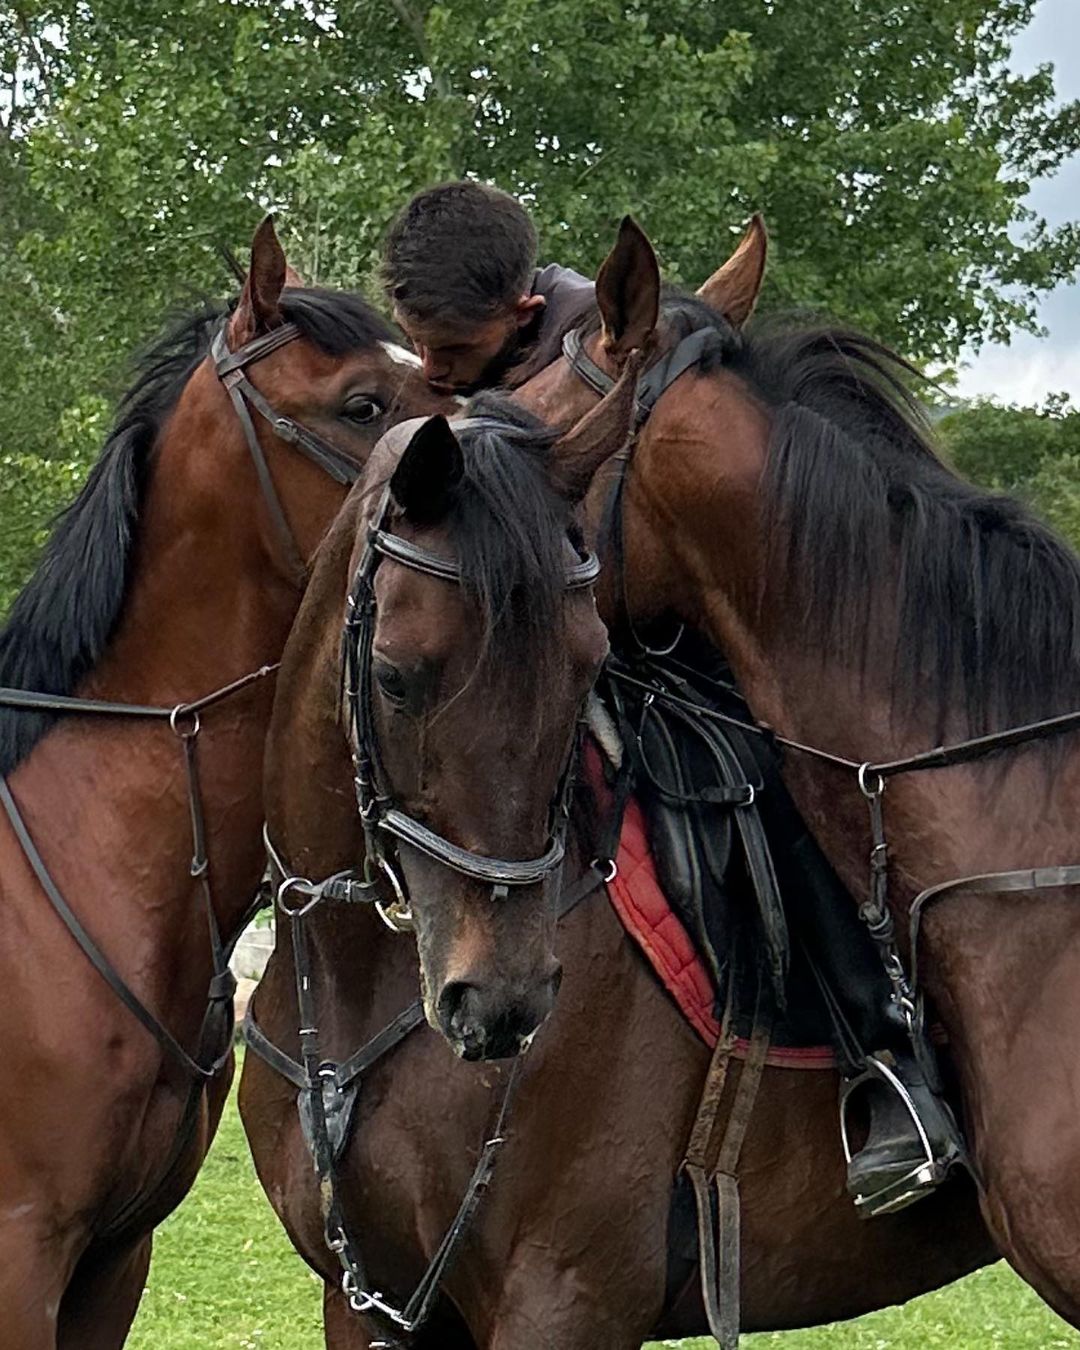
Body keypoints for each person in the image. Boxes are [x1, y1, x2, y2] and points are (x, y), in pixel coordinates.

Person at [381, 181, 594, 393]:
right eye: (414, 340)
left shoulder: (596, 340)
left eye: (456, 349)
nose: (431, 370)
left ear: (523, 312)